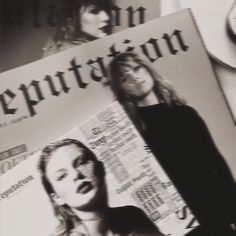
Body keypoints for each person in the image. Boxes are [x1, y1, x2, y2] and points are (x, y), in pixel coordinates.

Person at [107, 52, 236, 236]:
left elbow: (215, 162)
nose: (135, 77)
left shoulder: (185, 114)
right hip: (176, 225)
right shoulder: (130, 131)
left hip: (213, 212)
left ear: (148, 69)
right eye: (125, 78)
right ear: (121, 88)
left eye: (137, 68)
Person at [38, 138, 164, 236]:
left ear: (101, 168)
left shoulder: (132, 216)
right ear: (56, 198)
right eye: (62, 176)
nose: (76, 174)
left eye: (81, 162)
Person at [42, 0, 113, 57]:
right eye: (94, 11)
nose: (106, 17)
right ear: (72, 17)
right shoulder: (62, 55)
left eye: (107, 10)